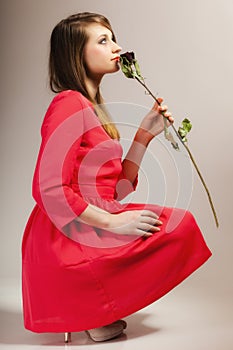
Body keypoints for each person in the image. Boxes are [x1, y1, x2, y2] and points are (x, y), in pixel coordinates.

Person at [22, 12, 212, 343]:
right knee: (175, 224)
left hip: (94, 215)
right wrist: (114, 224)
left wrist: (143, 137)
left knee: (176, 224)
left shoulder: (94, 108)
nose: (117, 47)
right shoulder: (68, 103)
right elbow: (48, 189)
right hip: (66, 233)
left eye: (113, 38)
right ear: (75, 53)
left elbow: (116, 189)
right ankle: (90, 307)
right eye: (103, 40)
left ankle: (96, 307)